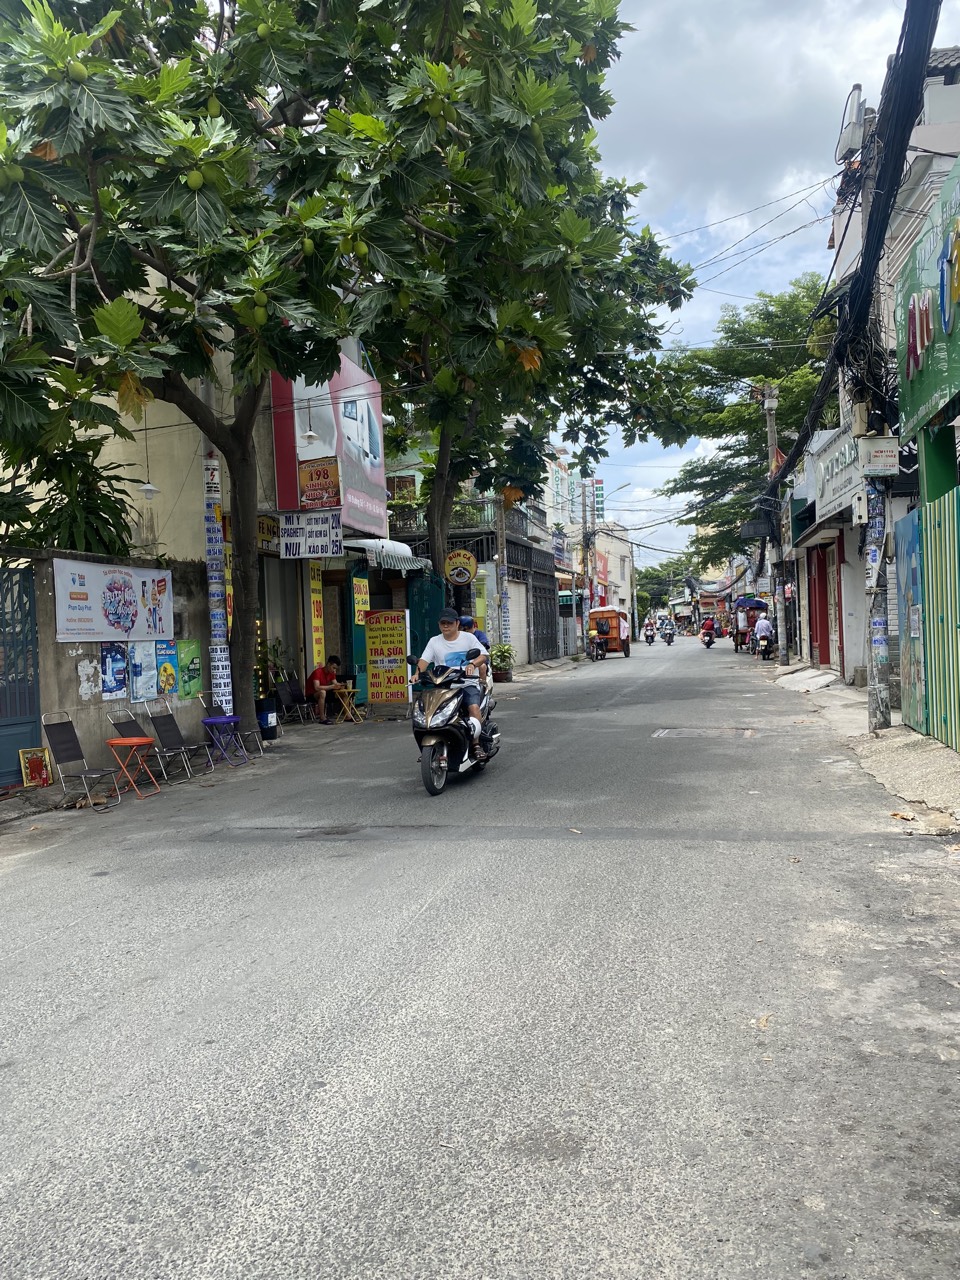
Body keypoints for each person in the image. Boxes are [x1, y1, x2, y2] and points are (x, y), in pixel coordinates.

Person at [418, 607, 489, 757]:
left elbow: (483, 655)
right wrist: (417, 673)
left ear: (457, 623)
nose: (445, 626)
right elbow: (424, 661)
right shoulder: (434, 641)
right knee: (427, 712)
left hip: (466, 684)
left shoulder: (468, 638)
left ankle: (476, 745)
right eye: (443, 623)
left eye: (449, 623)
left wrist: (472, 664)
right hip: (443, 687)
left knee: (473, 708)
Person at [305, 654, 346, 723]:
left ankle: (347, 715)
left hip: (324, 693)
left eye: (336, 669)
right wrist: (332, 686)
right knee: (322, 692)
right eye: (333, 668)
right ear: (328, 664)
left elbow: (335, 683)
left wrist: (341, 685)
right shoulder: (317, 672)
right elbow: (317, 687)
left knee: (343, 691)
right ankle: (322, 717)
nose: (334, 670)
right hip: (312, 694)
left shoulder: (332, 673)